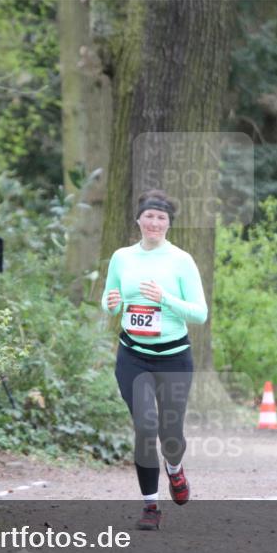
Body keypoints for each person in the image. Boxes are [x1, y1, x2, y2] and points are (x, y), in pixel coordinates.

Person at [101, 190, 207, 530]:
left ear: (169, 225)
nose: (154, 223)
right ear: (138, 220)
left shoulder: (181, 260)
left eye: (161, 218)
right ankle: (150, 506)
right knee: (145, 428)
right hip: (133, 356)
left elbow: (200, 313)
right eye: (149, 216)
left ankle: (174, 470)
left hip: (174, 358)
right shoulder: (122, 257)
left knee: (170, 433)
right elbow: (109, 299)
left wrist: (165, 299)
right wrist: (112, 303)